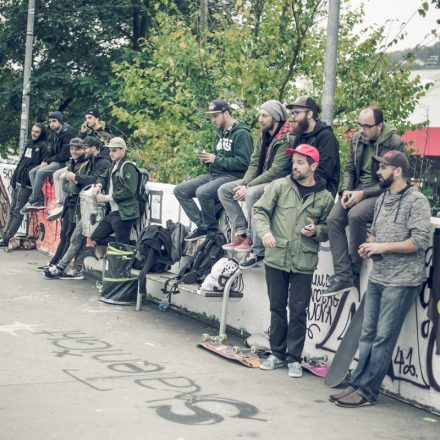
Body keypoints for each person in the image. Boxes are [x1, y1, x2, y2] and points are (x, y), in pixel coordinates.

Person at [330, 150, 431, 407]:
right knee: (367, 334)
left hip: (403, 280)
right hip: (379, 276)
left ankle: (367, 392)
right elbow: (374, 231)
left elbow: (419, 241)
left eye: (383, 168)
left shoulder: (417, 201)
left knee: (383, 337)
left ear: (398, 171)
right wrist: (369, 245)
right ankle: (356, 384)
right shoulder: (384, 197)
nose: (378, 172)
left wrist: (382, 247)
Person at [253, 144, 334, 378]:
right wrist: (265, 232)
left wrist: (316, 230)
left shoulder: (325, 197)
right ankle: (277, 354)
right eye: (294, 161)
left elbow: (330, 229)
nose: (295, 166)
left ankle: (294, 358)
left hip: (304, 262)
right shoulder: (279, 186)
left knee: (299, 310)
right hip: (276, 257)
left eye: (300, 162)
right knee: (277, 308)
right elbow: (259, 211)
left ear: (313, 166)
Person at [324, 106, 405, 296]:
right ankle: (343, 276)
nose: (362, 130)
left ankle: (354, 270)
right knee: (333, 219)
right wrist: (345, 191)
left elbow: (392, 180)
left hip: (381, 191)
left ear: (380, 125)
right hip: (356, 189)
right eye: (359, 125)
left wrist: (363, 194)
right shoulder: (356, 139)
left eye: (367, 126)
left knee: (356, 215)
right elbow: (350, 169)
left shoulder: (394, 143)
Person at [218, 100, 292, 269]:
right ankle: (242, 232)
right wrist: (244, 183)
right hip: (260, 178)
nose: (260, 119)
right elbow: (254, 163)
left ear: (276, 118)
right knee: (225, 190)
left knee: (252, 194)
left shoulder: (287, 138)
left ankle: (255, 245)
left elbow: (277, 170)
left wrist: (248, 188)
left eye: (264, 115)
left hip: (278, 181)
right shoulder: (263, 135)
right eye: (259, 115)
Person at [174, 99, 253, 242]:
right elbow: (218, 160)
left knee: (203, 192)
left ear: (226, 113)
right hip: (214, 174)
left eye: (216, 116)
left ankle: (211, 230)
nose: (213, 119)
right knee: (180, 190)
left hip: (232, 177)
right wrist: (207, 160)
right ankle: (203, 225)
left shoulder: (242, 133)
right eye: (212, 116)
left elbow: (244, 163)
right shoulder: (219, 134)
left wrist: (216, 159)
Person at [43, 136, 111, 279]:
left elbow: (92, 181)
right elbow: (73, 186)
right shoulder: (93, 161)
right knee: (76, 237)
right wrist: (75, 182)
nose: (83, 150)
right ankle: (70, 268)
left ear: (94, 148)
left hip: (96, 207)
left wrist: (76, 178)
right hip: (86, 205)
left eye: (85, 147)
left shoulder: (103, 162)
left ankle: (63, 267)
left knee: (76, 237)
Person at [43, 138, 88, 274]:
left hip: (78, 205)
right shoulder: (71, 163)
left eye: (77, 149)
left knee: (71, 237)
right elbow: (67, 186)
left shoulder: (85, 164)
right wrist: (70, 184)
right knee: (65, 235)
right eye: (72, 149)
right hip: (69, 203)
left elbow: (76, 189)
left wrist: (71, 184)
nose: (74, 151)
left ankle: (61, 266)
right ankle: (55, 263)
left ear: (83, 149)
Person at [0, 123, 49, 247]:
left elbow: (44, 165)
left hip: (27, 185)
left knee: (18, 212)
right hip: (17, 182)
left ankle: (7, 238)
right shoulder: (30, 144)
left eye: (37, 132)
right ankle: (5, 235)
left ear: (41, 133)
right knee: (12, 211)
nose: (33, 133)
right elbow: (21, 161)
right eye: (33, 131)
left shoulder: (43, 146)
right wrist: (14, 178)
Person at [286, 96, 340, 197]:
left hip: (320, 193)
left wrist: (291, 185)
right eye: (292, 113)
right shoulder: (300, 137)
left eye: (296, 113)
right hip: (297, 185)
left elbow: (324, 172)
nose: (293, 117)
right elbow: (290, 165)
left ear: (309, 114)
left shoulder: (326, 137)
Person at [91, 137, 139, 248]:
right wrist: (99, 185)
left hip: (124, 213)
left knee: (120, 247)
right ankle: (130, 245)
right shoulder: (113, 165)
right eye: (110, 150)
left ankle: (128, 246)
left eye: (114, 150)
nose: (111, 153)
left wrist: (106, 198)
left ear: (122, 150)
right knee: (96, 237)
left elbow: (130, 190)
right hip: (113, 212)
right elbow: (103, 176)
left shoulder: (128, 166)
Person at [22, 111, 76, 211]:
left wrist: (48, 161)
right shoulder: (55, 133)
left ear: (60, 121)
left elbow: (64, 156)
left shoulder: (68, 133)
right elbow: (52, 151)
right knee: (32, 172)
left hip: (64, 163)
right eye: (50, 122)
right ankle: (39, 200)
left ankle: (32, 200)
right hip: (56, 160)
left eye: (54, 121)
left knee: (40, 172)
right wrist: (46, 160)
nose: (51, 124)